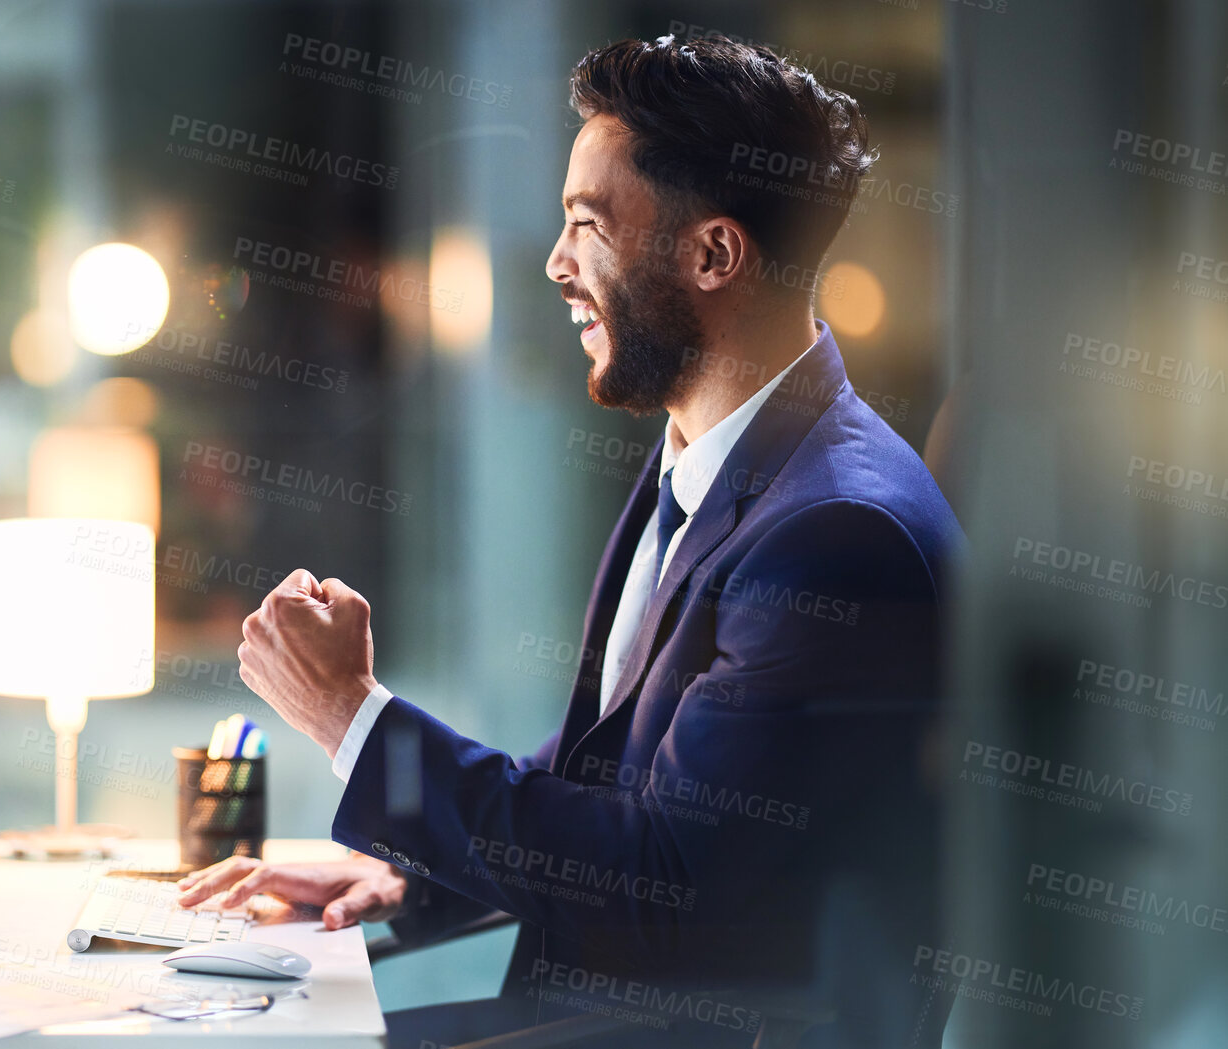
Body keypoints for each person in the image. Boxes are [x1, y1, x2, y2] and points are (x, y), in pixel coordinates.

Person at [176, 35, 963, 1049]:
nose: (554, 264)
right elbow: (604, 780)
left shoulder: (834, 533)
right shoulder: (708, 453)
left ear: (711, 254)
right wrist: (412, 863)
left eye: (584, 225)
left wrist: (351, 717)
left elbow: (665, 900)